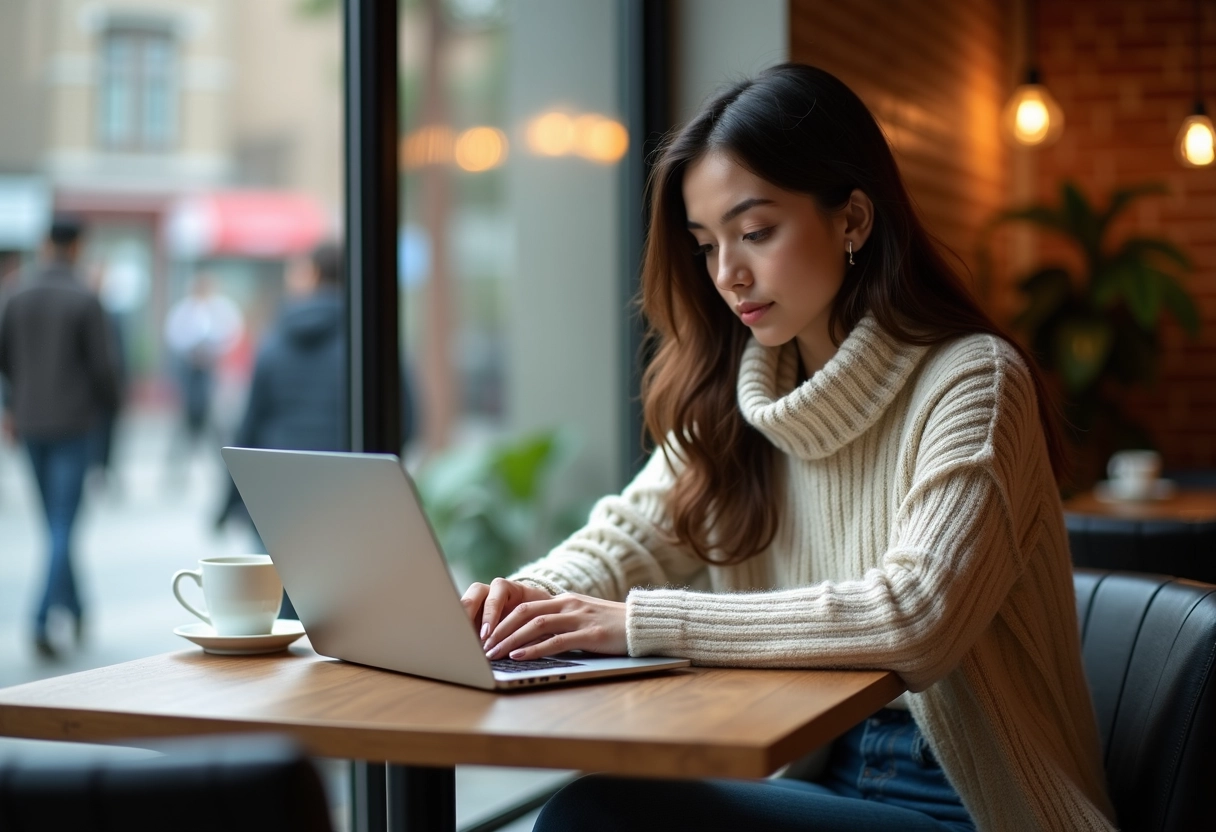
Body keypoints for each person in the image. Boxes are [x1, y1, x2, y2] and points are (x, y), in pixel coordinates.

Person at [461, 64, 1117, 832]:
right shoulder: (739, 399)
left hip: (976, 806)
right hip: (821, 776)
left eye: (756, 232)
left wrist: (633, 624)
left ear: (853, 221)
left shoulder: (971, 380)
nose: (729, 274)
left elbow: (917, 617)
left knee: (595, 813)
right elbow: (622, 544)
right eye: (707, 246)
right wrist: (514, 604)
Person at [214, 242, 414, 617]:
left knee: (280, 611)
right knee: (348, 613)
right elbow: (407, 418)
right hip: (349, 492)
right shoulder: (372, 339)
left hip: (279, 492)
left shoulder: (274, 343)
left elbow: (249, 427)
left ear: (313, 275)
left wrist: (230, 500)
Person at [0, 215, 120, 659]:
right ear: (78, 246)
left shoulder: (15, 293)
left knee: (53, 523)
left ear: (45, 243)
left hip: (31, 423)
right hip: (75, 423)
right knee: (62, 524)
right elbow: (106, 371)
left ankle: (76, 605)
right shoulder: (86, 298)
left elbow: (5, 359)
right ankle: (40, 619)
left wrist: (14, 403)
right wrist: (111, 414)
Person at [163, 272, 242, 473]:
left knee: (213, 417)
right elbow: (175, 335)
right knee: (188, 415)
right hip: (190, 368)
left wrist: (212, 351)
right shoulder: (184, 310)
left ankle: (223, 462)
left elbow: (231, 333)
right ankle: (179, 462)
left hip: (210, 368)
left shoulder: (220, 309)